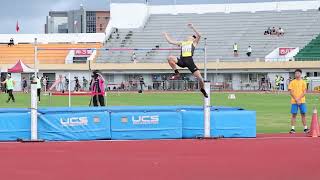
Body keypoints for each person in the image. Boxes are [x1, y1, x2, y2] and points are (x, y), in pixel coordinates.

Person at [163, 23, 208, 98]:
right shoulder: (182, 43)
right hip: (182, 61)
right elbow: (170, 42)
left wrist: (192, 27)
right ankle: (177, 73)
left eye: (191, 36)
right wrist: (165, 35)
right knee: (169, 58)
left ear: (193, 39)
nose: (189, 36)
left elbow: (199, 35)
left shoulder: (193, 43)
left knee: (200, 78)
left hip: (190, 62)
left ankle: (202, 89)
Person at [288, 69, 309, 134]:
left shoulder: (303, 82)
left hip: (302, 101)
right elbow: (291, 92)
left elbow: (304, 92)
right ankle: (292, 129)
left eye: (298, 73)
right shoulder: (292, 82)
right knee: (294, 114)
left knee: (303, 114)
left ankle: (305, 128)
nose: (297, 74)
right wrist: (296, 99)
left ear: (300, 74)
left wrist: (299, 99)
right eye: (296, 73)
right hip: (294, 101)